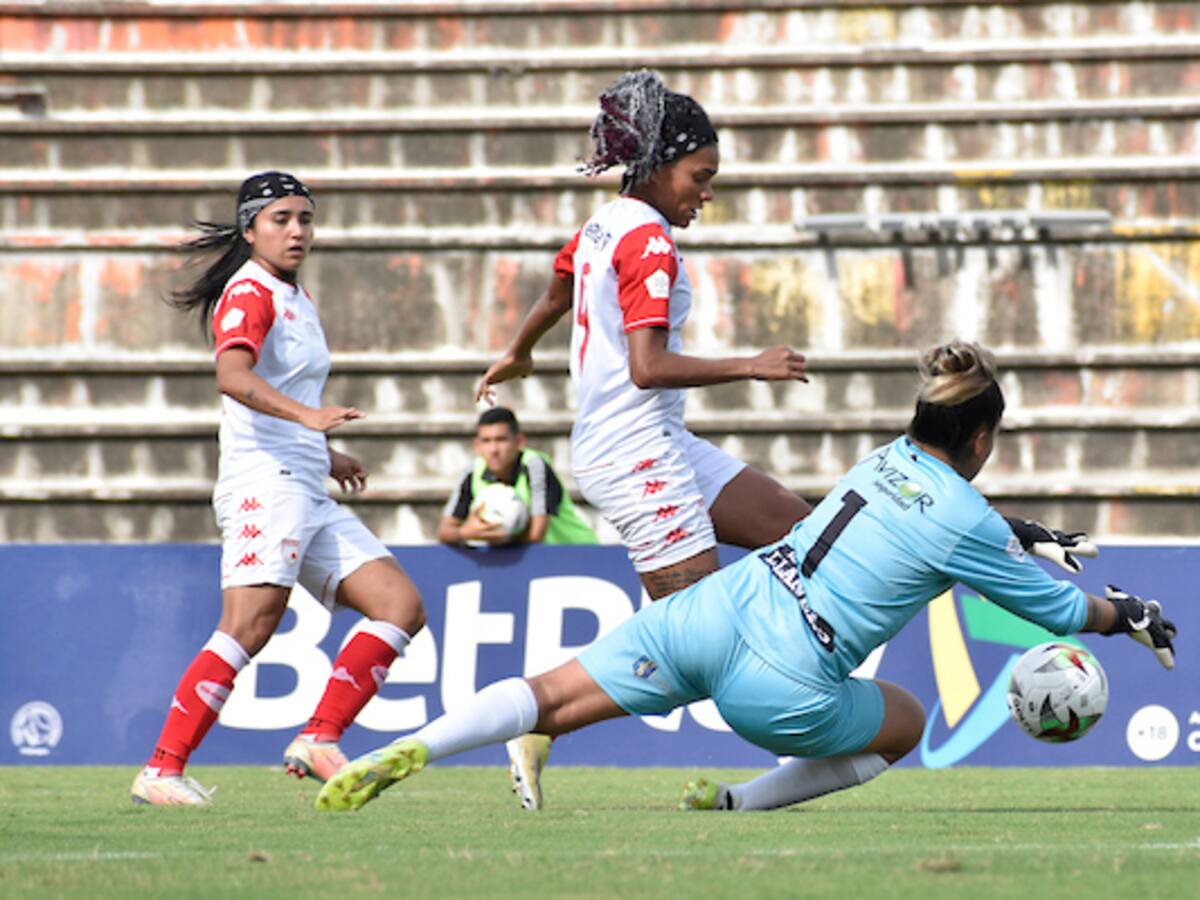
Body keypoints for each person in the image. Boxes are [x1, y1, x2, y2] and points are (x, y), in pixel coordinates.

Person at [314, 340, 1176, 815]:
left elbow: (938, 526)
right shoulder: (964, 518)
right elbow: (1060, 606)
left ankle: (410, 748)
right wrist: (1128, 613)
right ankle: (735, 804)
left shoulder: (883, 462)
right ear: (983, 441)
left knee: (551, 694)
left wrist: (1017, 531)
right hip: (783, 680)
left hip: (722, 606)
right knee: (905, 721)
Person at [475, 68, 813, 809]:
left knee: (805, 533)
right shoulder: (651, 243)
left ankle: (809, 680)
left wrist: (523, 349)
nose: (707, 191)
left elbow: (560, 289)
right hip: (636, 453)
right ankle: (538, 720)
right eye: (701, 175)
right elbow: (649, 365)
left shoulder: (604, 222)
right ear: (660, 165)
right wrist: (750, 365)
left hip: (656, 440)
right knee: (691, 648)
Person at [131, 171, 426, 806]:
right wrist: (308, 420)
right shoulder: (251, 292)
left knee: (400, 606)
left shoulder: (295, 295)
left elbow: (283, 385)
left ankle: (319, 736)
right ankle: (161, 769)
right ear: (249, 230)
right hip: (264, 481)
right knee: (248, 625)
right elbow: (232, 376)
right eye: (281, 220)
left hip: (304, 480)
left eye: (305, 219)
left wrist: (325, 447)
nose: (297, 231)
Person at [437, 407, 597, 547]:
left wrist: (493, 535)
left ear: (519, 441)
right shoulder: (473, 471)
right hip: (525, 564)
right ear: (477, 446)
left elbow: (536, 535)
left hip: (575, 554)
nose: (493, 449)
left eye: (501, 440)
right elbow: (444, 531)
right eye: (486, 441)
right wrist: (466, 533)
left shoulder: (534, 465)